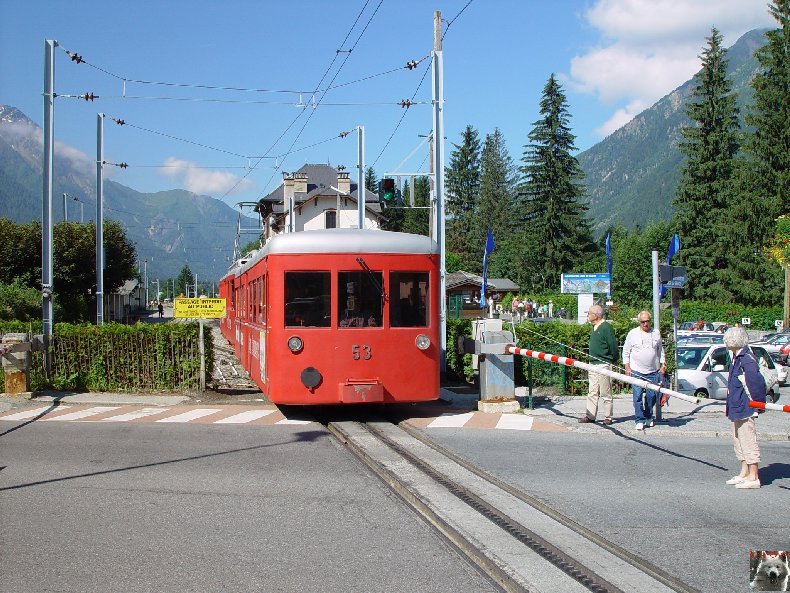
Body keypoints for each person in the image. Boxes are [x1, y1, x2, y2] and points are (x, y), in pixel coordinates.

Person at [723, 326, 766, 489]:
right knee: (738, 439)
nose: (725, 341)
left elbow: (755, 383)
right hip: (736, 405)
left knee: (748, 439)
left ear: (734, 340)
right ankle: (744, 472)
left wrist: (758, 404)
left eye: (727, 338)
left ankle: (753, 476)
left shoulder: (746, 357)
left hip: (745, 406)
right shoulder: (736, 356)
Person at [623, 311, 666, 431]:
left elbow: (660, 350)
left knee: (651, 396)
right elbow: (626, 351)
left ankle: (648, 416)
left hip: (653, 371)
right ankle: (639, 419)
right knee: (637, 396)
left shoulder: (656, 333)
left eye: (647, 321)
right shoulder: (633, 334)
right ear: (639, 322)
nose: (645, 324)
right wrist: (627, 367)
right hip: (636, 370)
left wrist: (663, 364)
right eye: (643, 322)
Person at [579, 305, 618, 425]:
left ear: (595, 315)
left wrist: (613, 359)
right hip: (593, 363)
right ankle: (590, 415)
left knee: (605, 392)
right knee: (592, 391)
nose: (588, 315)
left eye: (589, 313)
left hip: (603, 363)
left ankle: (608, 416)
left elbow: (613, 346)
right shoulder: (594, 327)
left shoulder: (606, 327)